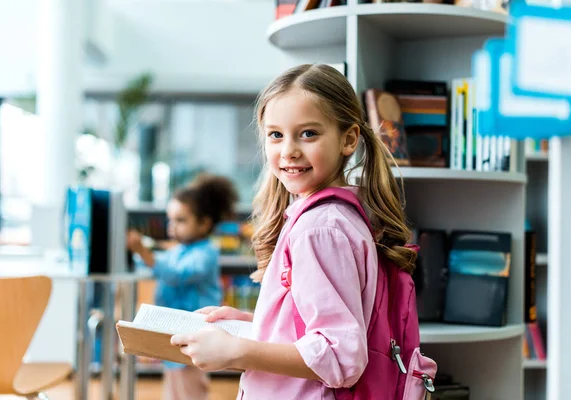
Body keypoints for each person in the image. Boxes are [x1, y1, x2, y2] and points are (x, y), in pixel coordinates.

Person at [170, 64, 417, 399]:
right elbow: (314, 327)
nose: (289, 151)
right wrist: (252, 326)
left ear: (348, 139)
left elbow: (340, 356)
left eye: (308, 133)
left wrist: (236, 351)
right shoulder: (336, 215)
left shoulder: (320, 229)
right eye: (276, 135)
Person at [127, 173, 238, 400]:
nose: (172, 227)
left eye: (181, 220)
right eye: (171, 220)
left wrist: (144, 253)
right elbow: (161, 264)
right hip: (175, 332)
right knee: (175, 389)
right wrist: (136, 254)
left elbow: (177, 274)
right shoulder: (178, 250)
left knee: (188, 389)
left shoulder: (206, 253)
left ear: (204, 223)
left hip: (193, 332)